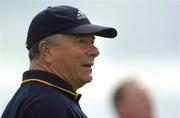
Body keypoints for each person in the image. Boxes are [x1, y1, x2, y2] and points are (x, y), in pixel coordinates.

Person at [2, 5, 117, 118]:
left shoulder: (37, 98)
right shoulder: (47, 104)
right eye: (82, 41)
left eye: (92, 42)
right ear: (47, 51)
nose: (95, 51)